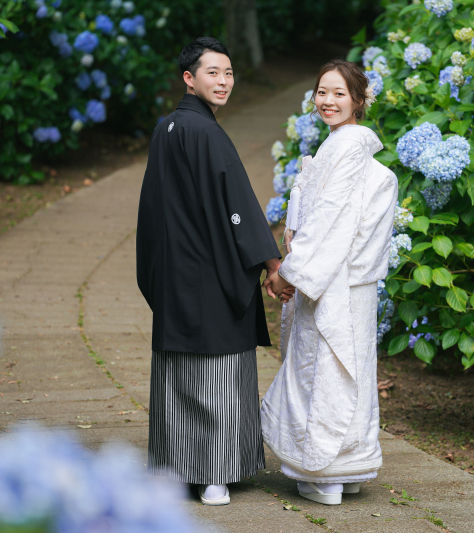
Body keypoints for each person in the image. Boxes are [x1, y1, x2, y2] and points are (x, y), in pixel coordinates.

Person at [136, 37, 284, 506]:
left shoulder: (167, 129)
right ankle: (215, 474)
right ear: (189, 78)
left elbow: (151, 211)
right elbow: (236, 204)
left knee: (179, 377)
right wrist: (271, 262)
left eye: (229, 73)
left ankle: (176, 469)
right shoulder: (206, 133)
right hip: (210, 272)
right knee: (217, 374)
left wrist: (155, 274)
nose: (223, 82)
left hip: (174, 273)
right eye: (213, 73)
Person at [261, 59, 398, 506]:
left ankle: (323, 472)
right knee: (348, 370)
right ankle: (349, 467)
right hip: (349, 282)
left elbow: (328, 220)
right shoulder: (347, 148)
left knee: (325, 372)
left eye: (339, 93)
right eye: (322, 92)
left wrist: (291, 273)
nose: (328, 101)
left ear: (359, 100)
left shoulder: (347, 148)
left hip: (333, 281)